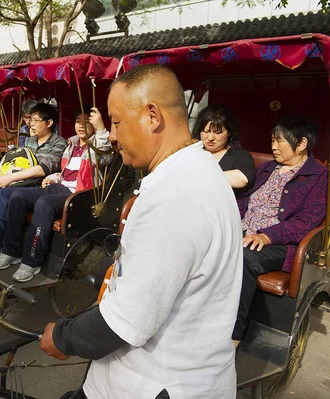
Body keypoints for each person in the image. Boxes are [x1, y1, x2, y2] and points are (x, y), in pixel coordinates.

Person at [39, 64, 243, 399]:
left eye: (117, 122)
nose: (113, 135)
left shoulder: (175, 195)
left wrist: (61, 336)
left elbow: (128, 318)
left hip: (153, 383)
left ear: (152, 116)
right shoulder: (199, 171)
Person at [232, 117, 327, 344]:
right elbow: (242, 200)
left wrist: (268, 235)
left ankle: (234, 335)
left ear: (302, 143)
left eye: (279, 141)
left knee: (244, 258)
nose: (273, 146)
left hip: (280, 244)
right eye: (272, 141)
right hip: (242, 231)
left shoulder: (318, 177)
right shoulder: (266, 169)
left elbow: (306, 221)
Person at [0, 107, 113, 282]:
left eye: (87, 122)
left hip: (79, 194)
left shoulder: (95, 146)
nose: (81, 125)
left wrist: (101, 129)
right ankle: (11, 250)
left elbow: (105, 156)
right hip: (60, 187)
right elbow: (66, 172)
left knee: (44, 203)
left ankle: (32, 261)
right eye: (78, 121)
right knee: (17, 196)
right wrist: (53, 177)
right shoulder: (71, 145)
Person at [0, 103, 67, 264]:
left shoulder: (58, 143)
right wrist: (3, 176)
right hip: (16, 183)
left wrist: (9, 179)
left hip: (35, 187)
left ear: (49, 123)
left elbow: (42, 169)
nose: (31, 124)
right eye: (30, 120)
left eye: (36, 120)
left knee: (1, 195)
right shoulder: (28, 140)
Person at [192, 104, 255, 196]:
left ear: (229, 132)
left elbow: (243, 178)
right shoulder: (192, 152)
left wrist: (199, 177)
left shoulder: (239, 155)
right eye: (206, 131)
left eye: (217, 132)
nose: (210, 138)